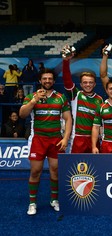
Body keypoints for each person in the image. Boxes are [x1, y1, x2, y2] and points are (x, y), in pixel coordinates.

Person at [19, 68, 72, 216]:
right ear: (40, 81)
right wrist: (35, 100)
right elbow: (22, 114)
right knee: (35, 171)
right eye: (44, 79)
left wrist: (66, 138)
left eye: (50, 79)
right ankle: (32, 203)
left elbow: (68, 119)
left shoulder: (61, 97)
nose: (47, 81)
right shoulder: (31, 96)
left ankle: (54, 200)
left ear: (54, 81)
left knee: (55, 170)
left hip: (56, 140)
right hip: (38, 140)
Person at [62, 45, 103, 153]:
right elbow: (67, 80)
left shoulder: (100, 100)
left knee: (96, 168)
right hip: (78, 138)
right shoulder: (76, 95)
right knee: (76, 168)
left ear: (94, 84)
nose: (87, 85)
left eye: (90, 82)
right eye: (85, 82)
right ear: (80, 84)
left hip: (94, 139)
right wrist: (66, 61)